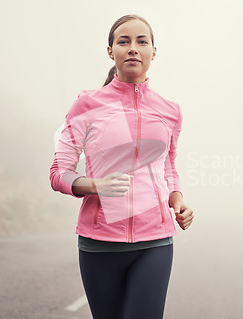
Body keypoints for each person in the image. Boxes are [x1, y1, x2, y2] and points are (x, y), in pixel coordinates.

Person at [49, 14, 193, 319]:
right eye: (123, 41)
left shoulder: (170, 112)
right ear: (110, 50)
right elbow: (59, 172)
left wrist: (178, 200)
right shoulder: (87, 105)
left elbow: (169, 170)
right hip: (99, 242)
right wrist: (94, 185)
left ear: (154, 51)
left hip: (155, 240)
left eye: (142, 41)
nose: (133, 48)